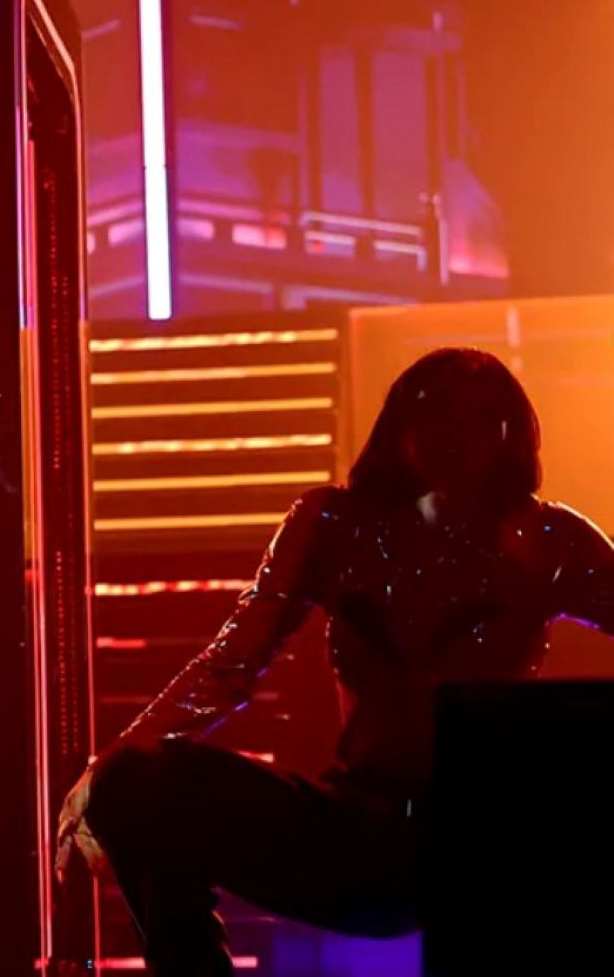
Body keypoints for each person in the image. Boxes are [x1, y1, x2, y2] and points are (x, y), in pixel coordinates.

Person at [56, 347, 614, 975]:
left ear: (510, 434)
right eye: (435, 413)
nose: (453, 435)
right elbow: (231, 662)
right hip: (360, 830)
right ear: (400, 425)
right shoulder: (334, 524)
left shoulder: (550, 540)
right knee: (140, 778)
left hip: (495, 836)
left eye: (479, 417)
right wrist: (110, 767)